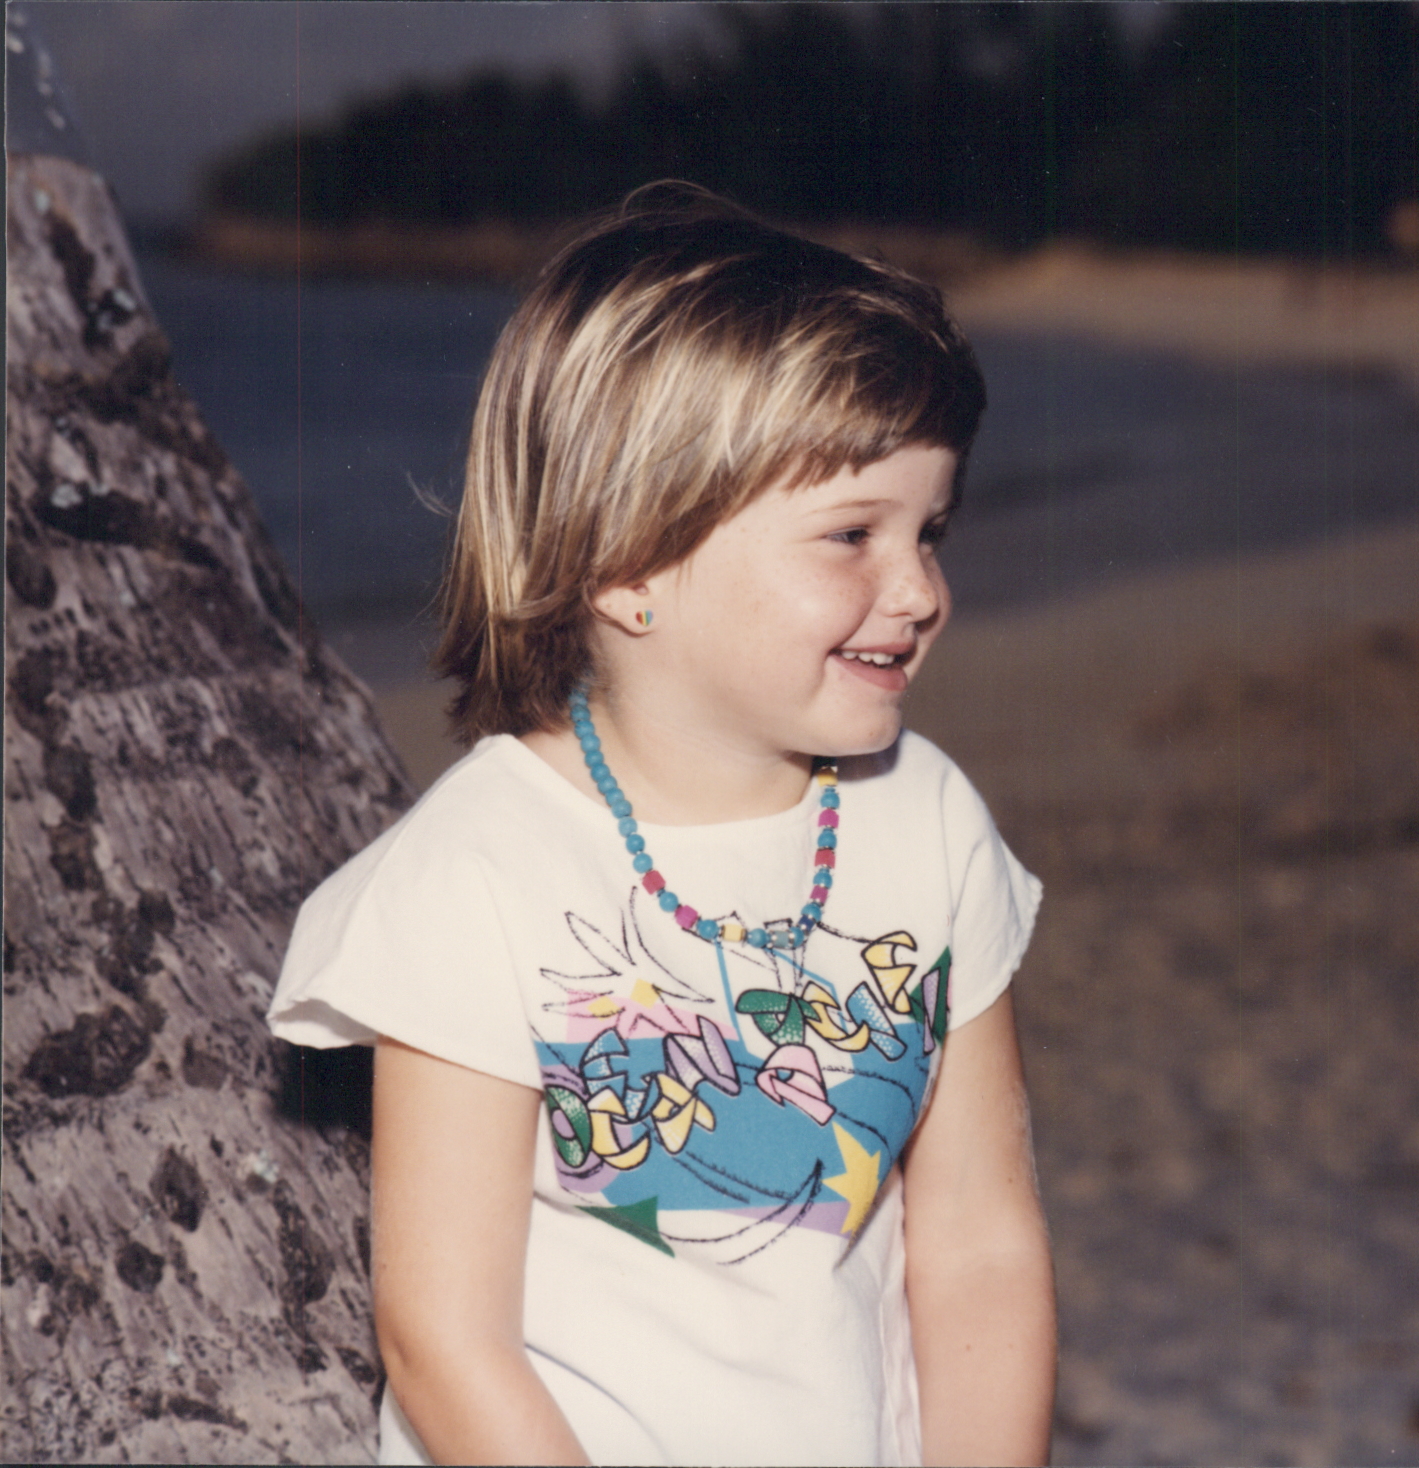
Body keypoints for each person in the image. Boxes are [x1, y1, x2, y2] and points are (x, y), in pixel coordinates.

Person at [269, 182, 1055, 1467]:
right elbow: (444, 1339)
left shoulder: (928, 821)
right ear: (628, 565)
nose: (917, 589)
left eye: (929, 530)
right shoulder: (475, 873)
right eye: (851, 534)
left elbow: (978, 1244)